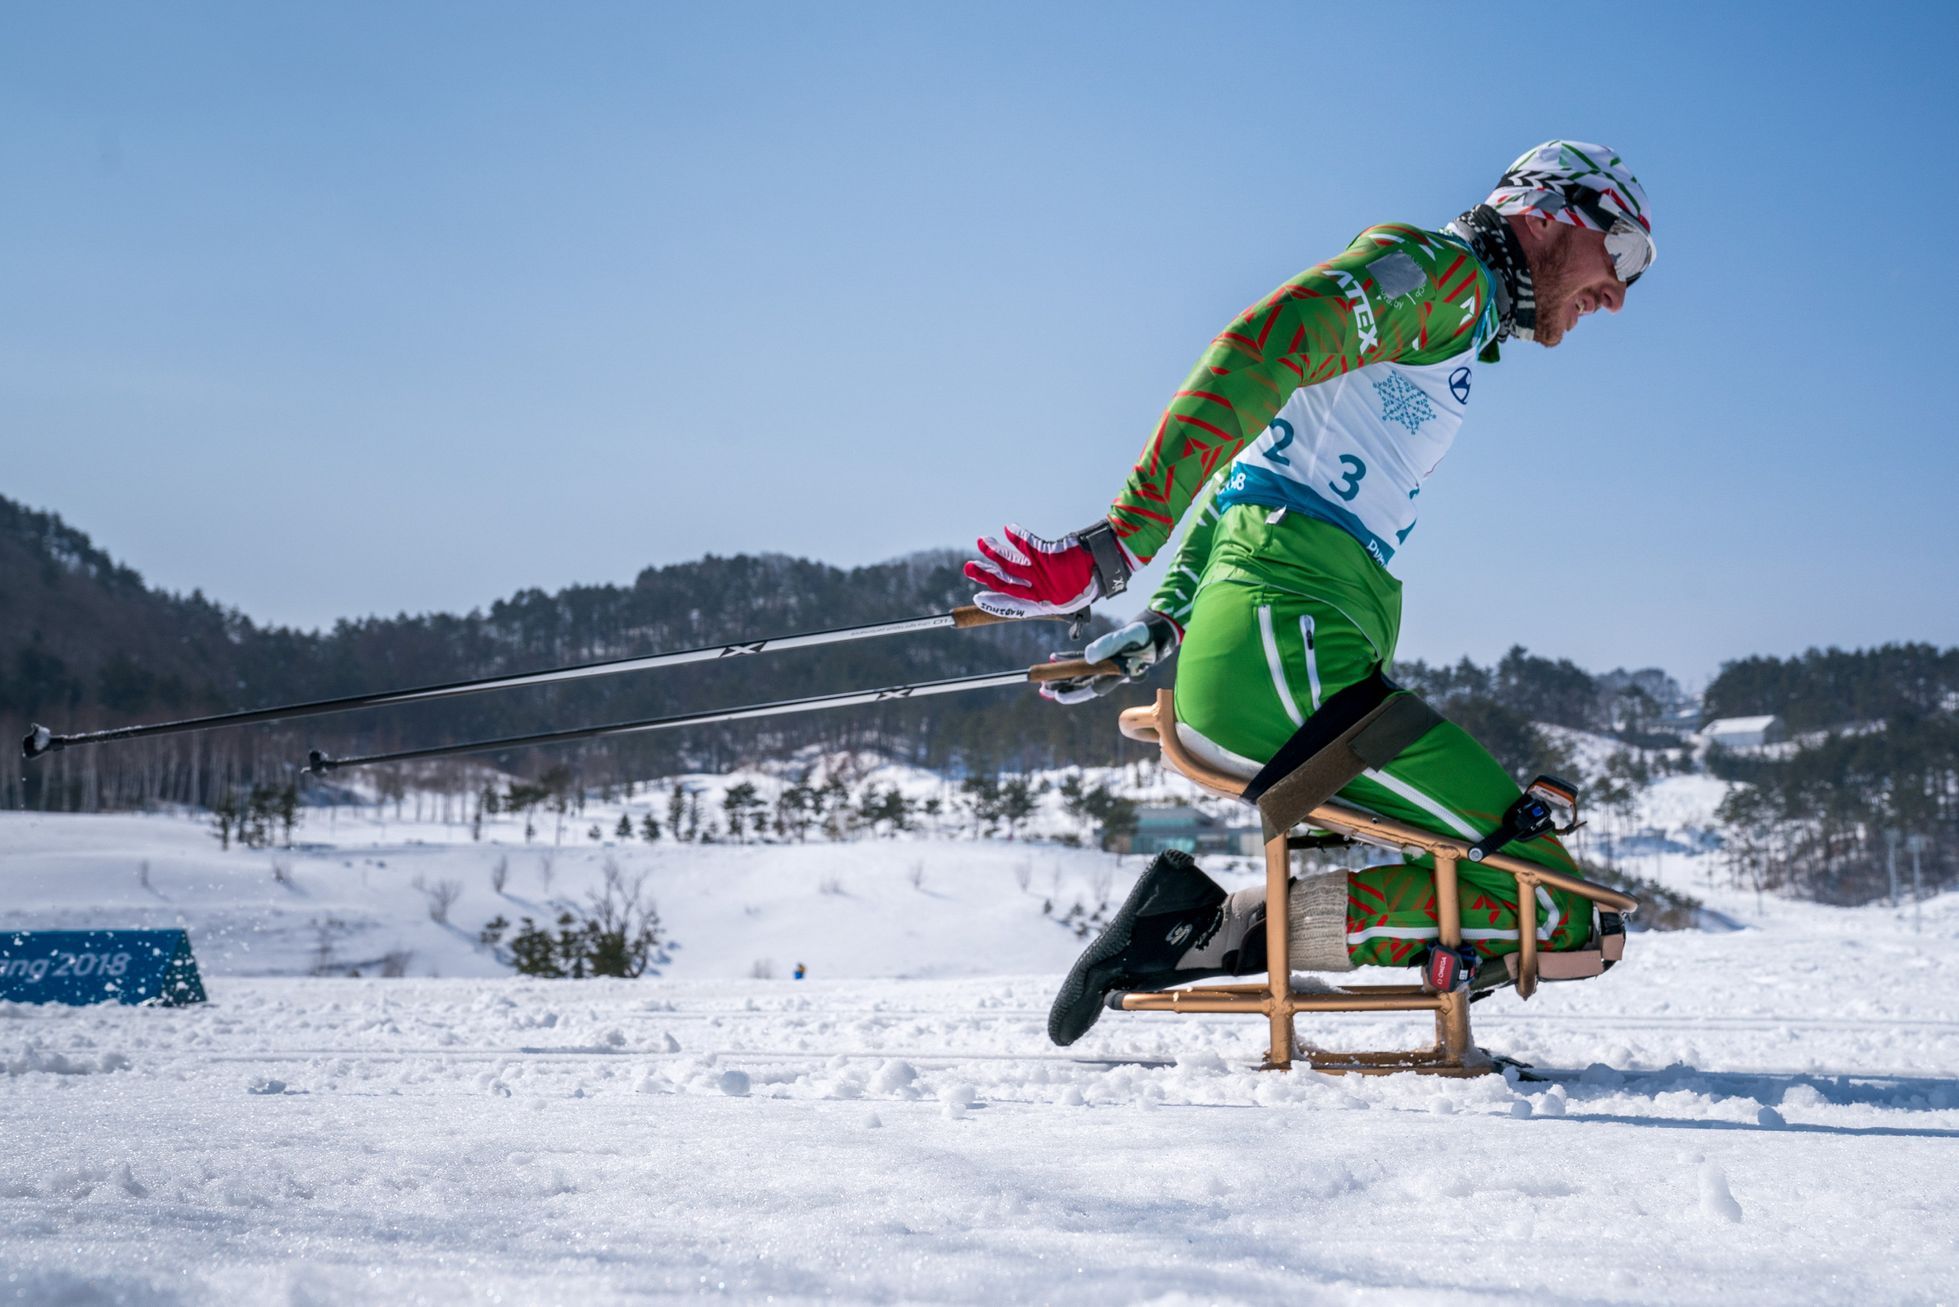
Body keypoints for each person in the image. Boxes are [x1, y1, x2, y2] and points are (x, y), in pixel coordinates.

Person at [962, 142, 1655, 1045]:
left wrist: (1161, 622)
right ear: (1548, 211)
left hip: (1288, 644)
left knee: (1549, 903)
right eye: (1624, 254)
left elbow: (1251, 476)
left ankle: (1196, 926)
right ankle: (1209, 936)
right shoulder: (1440, 276)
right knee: (1564, 914)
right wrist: (1118, 542)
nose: (1618, 293)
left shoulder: (1453, 315)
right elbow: (1269, 341)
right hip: (1283, 649)